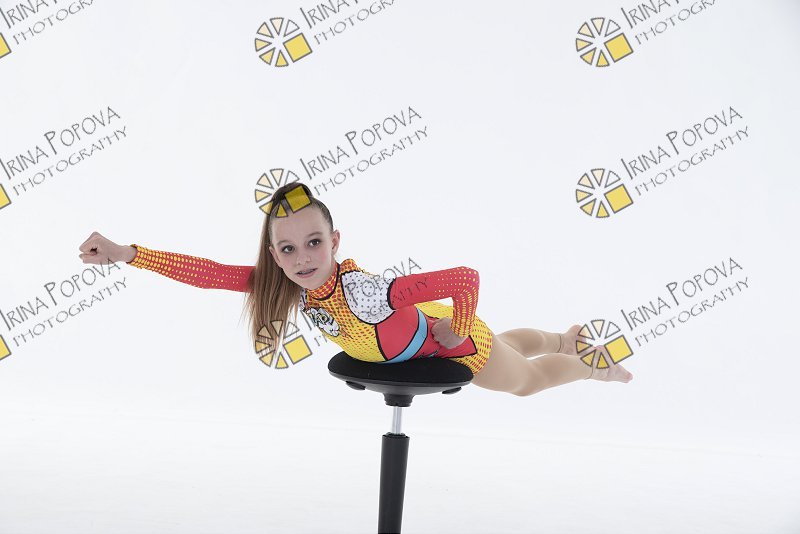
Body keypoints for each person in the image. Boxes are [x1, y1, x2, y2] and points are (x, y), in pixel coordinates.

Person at [77, 182, 632, 396]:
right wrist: (129, 254)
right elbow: (209, 273)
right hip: (418, 334)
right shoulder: (293, 285)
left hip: (448, 343)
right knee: (506, 343)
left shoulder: (365, 293)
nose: (302, 259)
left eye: (314, 243)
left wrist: (457, 328)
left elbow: (465, 279)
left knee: (525, 381)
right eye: (287, 249)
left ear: (335, 241)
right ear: (273, 254)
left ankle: (589, 367)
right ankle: (562, 338)